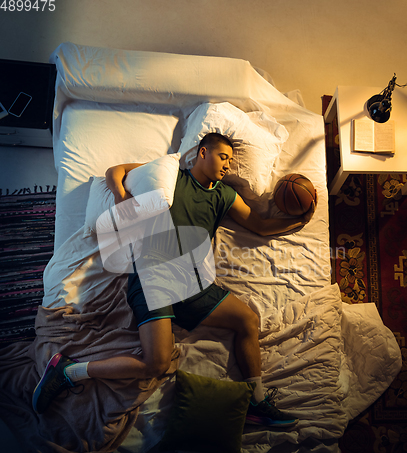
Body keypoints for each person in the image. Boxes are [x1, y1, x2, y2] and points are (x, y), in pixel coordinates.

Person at [32, 133, 316, 427]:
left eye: (231, 160)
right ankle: (69, 372)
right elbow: (115, 171)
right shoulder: (170, 177)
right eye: (223, 157)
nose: (227, 165)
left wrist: (301, 219)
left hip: (191, 284)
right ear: (202, 153)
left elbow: (261, 225)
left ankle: (256, 402)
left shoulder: (225, 195)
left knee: (247, 320)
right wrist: (121, 196)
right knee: (156, 363)